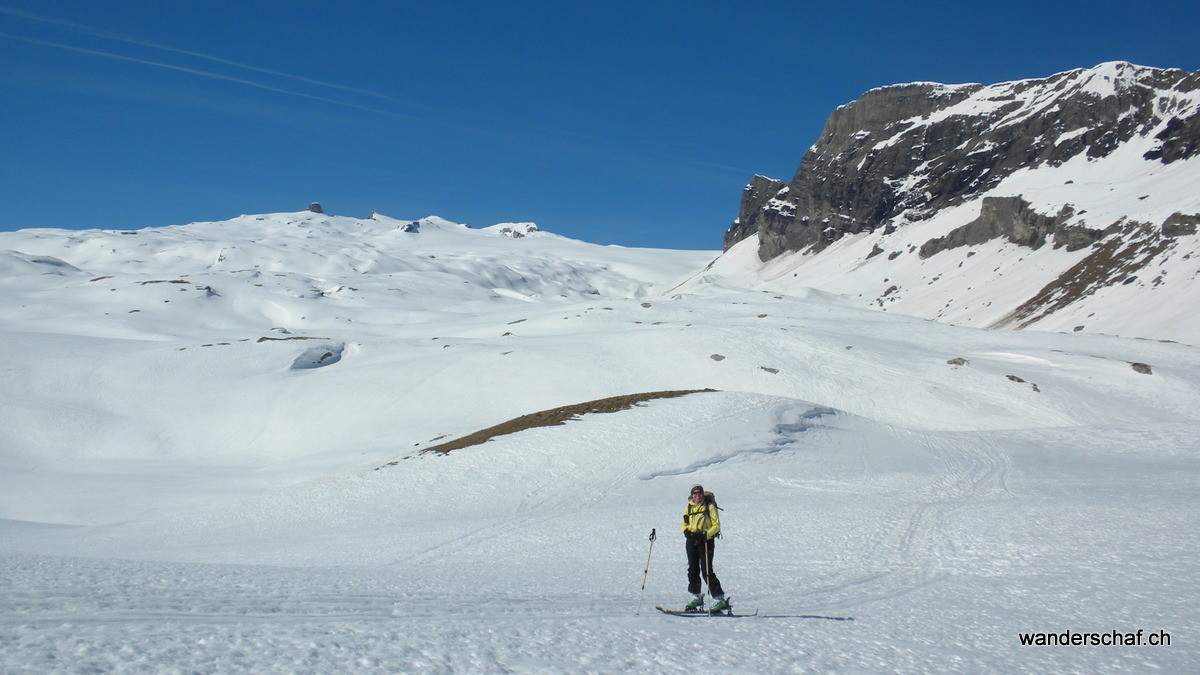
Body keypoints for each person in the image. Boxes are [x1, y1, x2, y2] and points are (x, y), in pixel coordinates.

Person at [680, 484, 728, 612]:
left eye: (699, 493)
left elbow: (716, 525)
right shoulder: (689, 507)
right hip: (691, 541)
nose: (697, 496)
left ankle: (719, 598)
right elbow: (684, 521)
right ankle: (696, 596)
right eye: (695, 494)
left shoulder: (709, 506)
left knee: (706, 570)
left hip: (705, 541)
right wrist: (685, 531)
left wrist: (706, 534)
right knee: (692, 569)